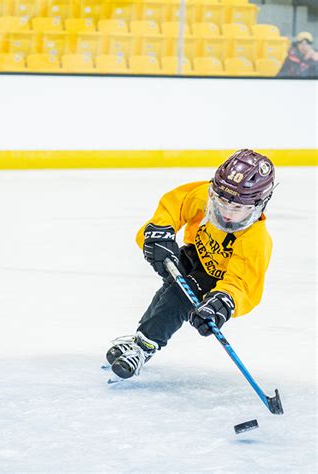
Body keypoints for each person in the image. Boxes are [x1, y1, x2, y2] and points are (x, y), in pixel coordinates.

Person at [106, 150, 275, 379]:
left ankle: (145, 346)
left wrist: (224, 301)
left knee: (176, 299)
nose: (226, 213)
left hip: (217, 279)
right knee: (166, 294)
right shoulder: (201, 197)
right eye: (222, 202)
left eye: (237, 208)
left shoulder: (255, 240)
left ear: (259, 204)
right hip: (193, 255)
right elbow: (175, 206)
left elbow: (243, 282)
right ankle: (140, 341)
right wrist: (160, 232)